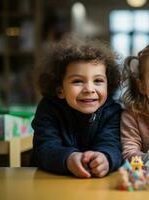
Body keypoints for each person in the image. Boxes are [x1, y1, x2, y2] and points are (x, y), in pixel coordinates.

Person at [31, 35, 123, 178]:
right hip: (52, 182)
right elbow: (44, 149)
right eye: (78, 81)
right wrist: (69, 158)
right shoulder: (48, 109)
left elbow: (112, 144)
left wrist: (105, 158)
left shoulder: (112, 111)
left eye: (98, 81)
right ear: (60, 90)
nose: (89, 89)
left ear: (108, 85)